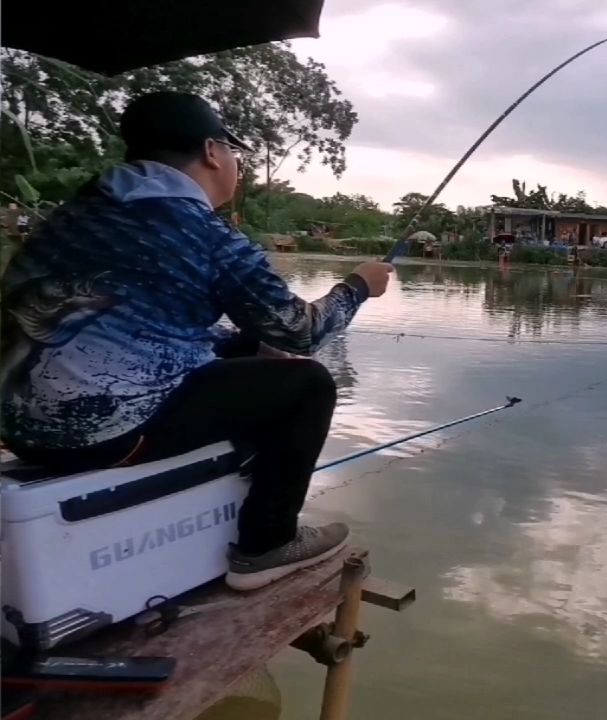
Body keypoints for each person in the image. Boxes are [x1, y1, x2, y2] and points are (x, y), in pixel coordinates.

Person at [0, 91, 394, 592]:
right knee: (308, 384)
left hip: (17, 427)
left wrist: (251, 346)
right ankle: (267, 544)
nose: (235, 165)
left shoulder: (77, 214)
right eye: (234, 153)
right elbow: (301, 330)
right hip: (99, 437)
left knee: (249, 346)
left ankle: (234, 489)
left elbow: (144, 323)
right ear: (212, 151)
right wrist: (358, 286)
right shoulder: (203, 232)